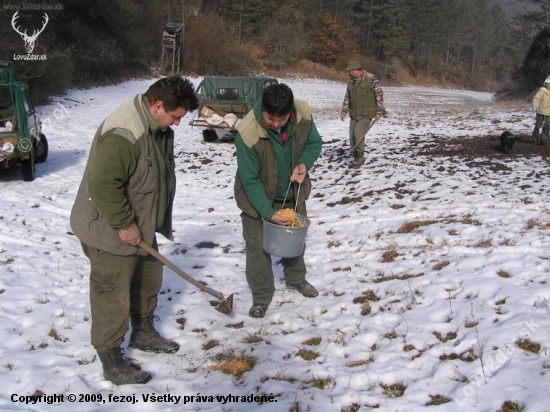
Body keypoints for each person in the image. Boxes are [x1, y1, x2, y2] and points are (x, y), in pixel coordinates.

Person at [70, 76, 199, 385]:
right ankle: (111, 358)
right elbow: (102, 185)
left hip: (141, 224)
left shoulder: (155, 123)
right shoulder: (125, 134)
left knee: (147, 279)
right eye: (176, 116)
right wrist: (124, 223)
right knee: (111, 294)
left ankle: (142, 332)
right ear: (157, 105)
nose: (178, 124)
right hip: (110, 228)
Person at [234, 83, 322, 318]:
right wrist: (268, 213)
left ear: (290, 112)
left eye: (280, 119)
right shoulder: (247, 132)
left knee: (295, 241)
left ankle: (296, 279)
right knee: (256, 246)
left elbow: (314, 143)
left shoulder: (303, 114)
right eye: (269, 118)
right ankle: (261, 295)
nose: (274, 124)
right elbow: (249, 180)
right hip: (257, 199)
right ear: (262, 108)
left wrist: (304, 163)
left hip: (292, 193)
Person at [340, 60, 385, 168]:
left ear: (356, 71)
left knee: (358, 134)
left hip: (367, 113)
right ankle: (356, 156)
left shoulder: (371, 79)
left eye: (350, 71)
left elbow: (379, 95)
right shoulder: (350, 82)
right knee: (352, 137)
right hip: (354, 113)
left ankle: (360, 157)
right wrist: (344, 111)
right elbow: (347, 98)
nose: (349, 73)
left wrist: (379, 111)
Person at [531, 75, 550, 145]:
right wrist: (535, 106)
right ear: (545, 85)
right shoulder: (542, 91)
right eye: (547, 85)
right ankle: (534, 138)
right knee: (538, 125)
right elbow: (536, 99)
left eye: (549, 85)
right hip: (541, 111)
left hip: (549, 112)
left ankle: (543, 139)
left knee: (547, 125)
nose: (548, 86)